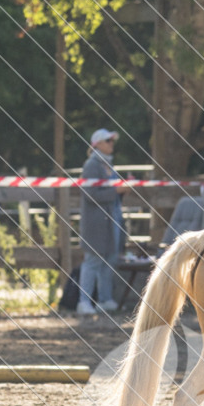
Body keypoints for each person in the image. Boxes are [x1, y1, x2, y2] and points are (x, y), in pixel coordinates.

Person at [77, 128, 127, 315]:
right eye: (108, 141)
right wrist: (117, 191)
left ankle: (105, 299)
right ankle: (84, 301)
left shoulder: (109, 166)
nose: (111, 144)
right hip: (96, 224)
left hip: (111, 221)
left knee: (109, 260)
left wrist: (120, 190)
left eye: (112, 141)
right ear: (97, 144)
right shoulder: (92, 165)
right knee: (93, 261)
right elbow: (90, 195)